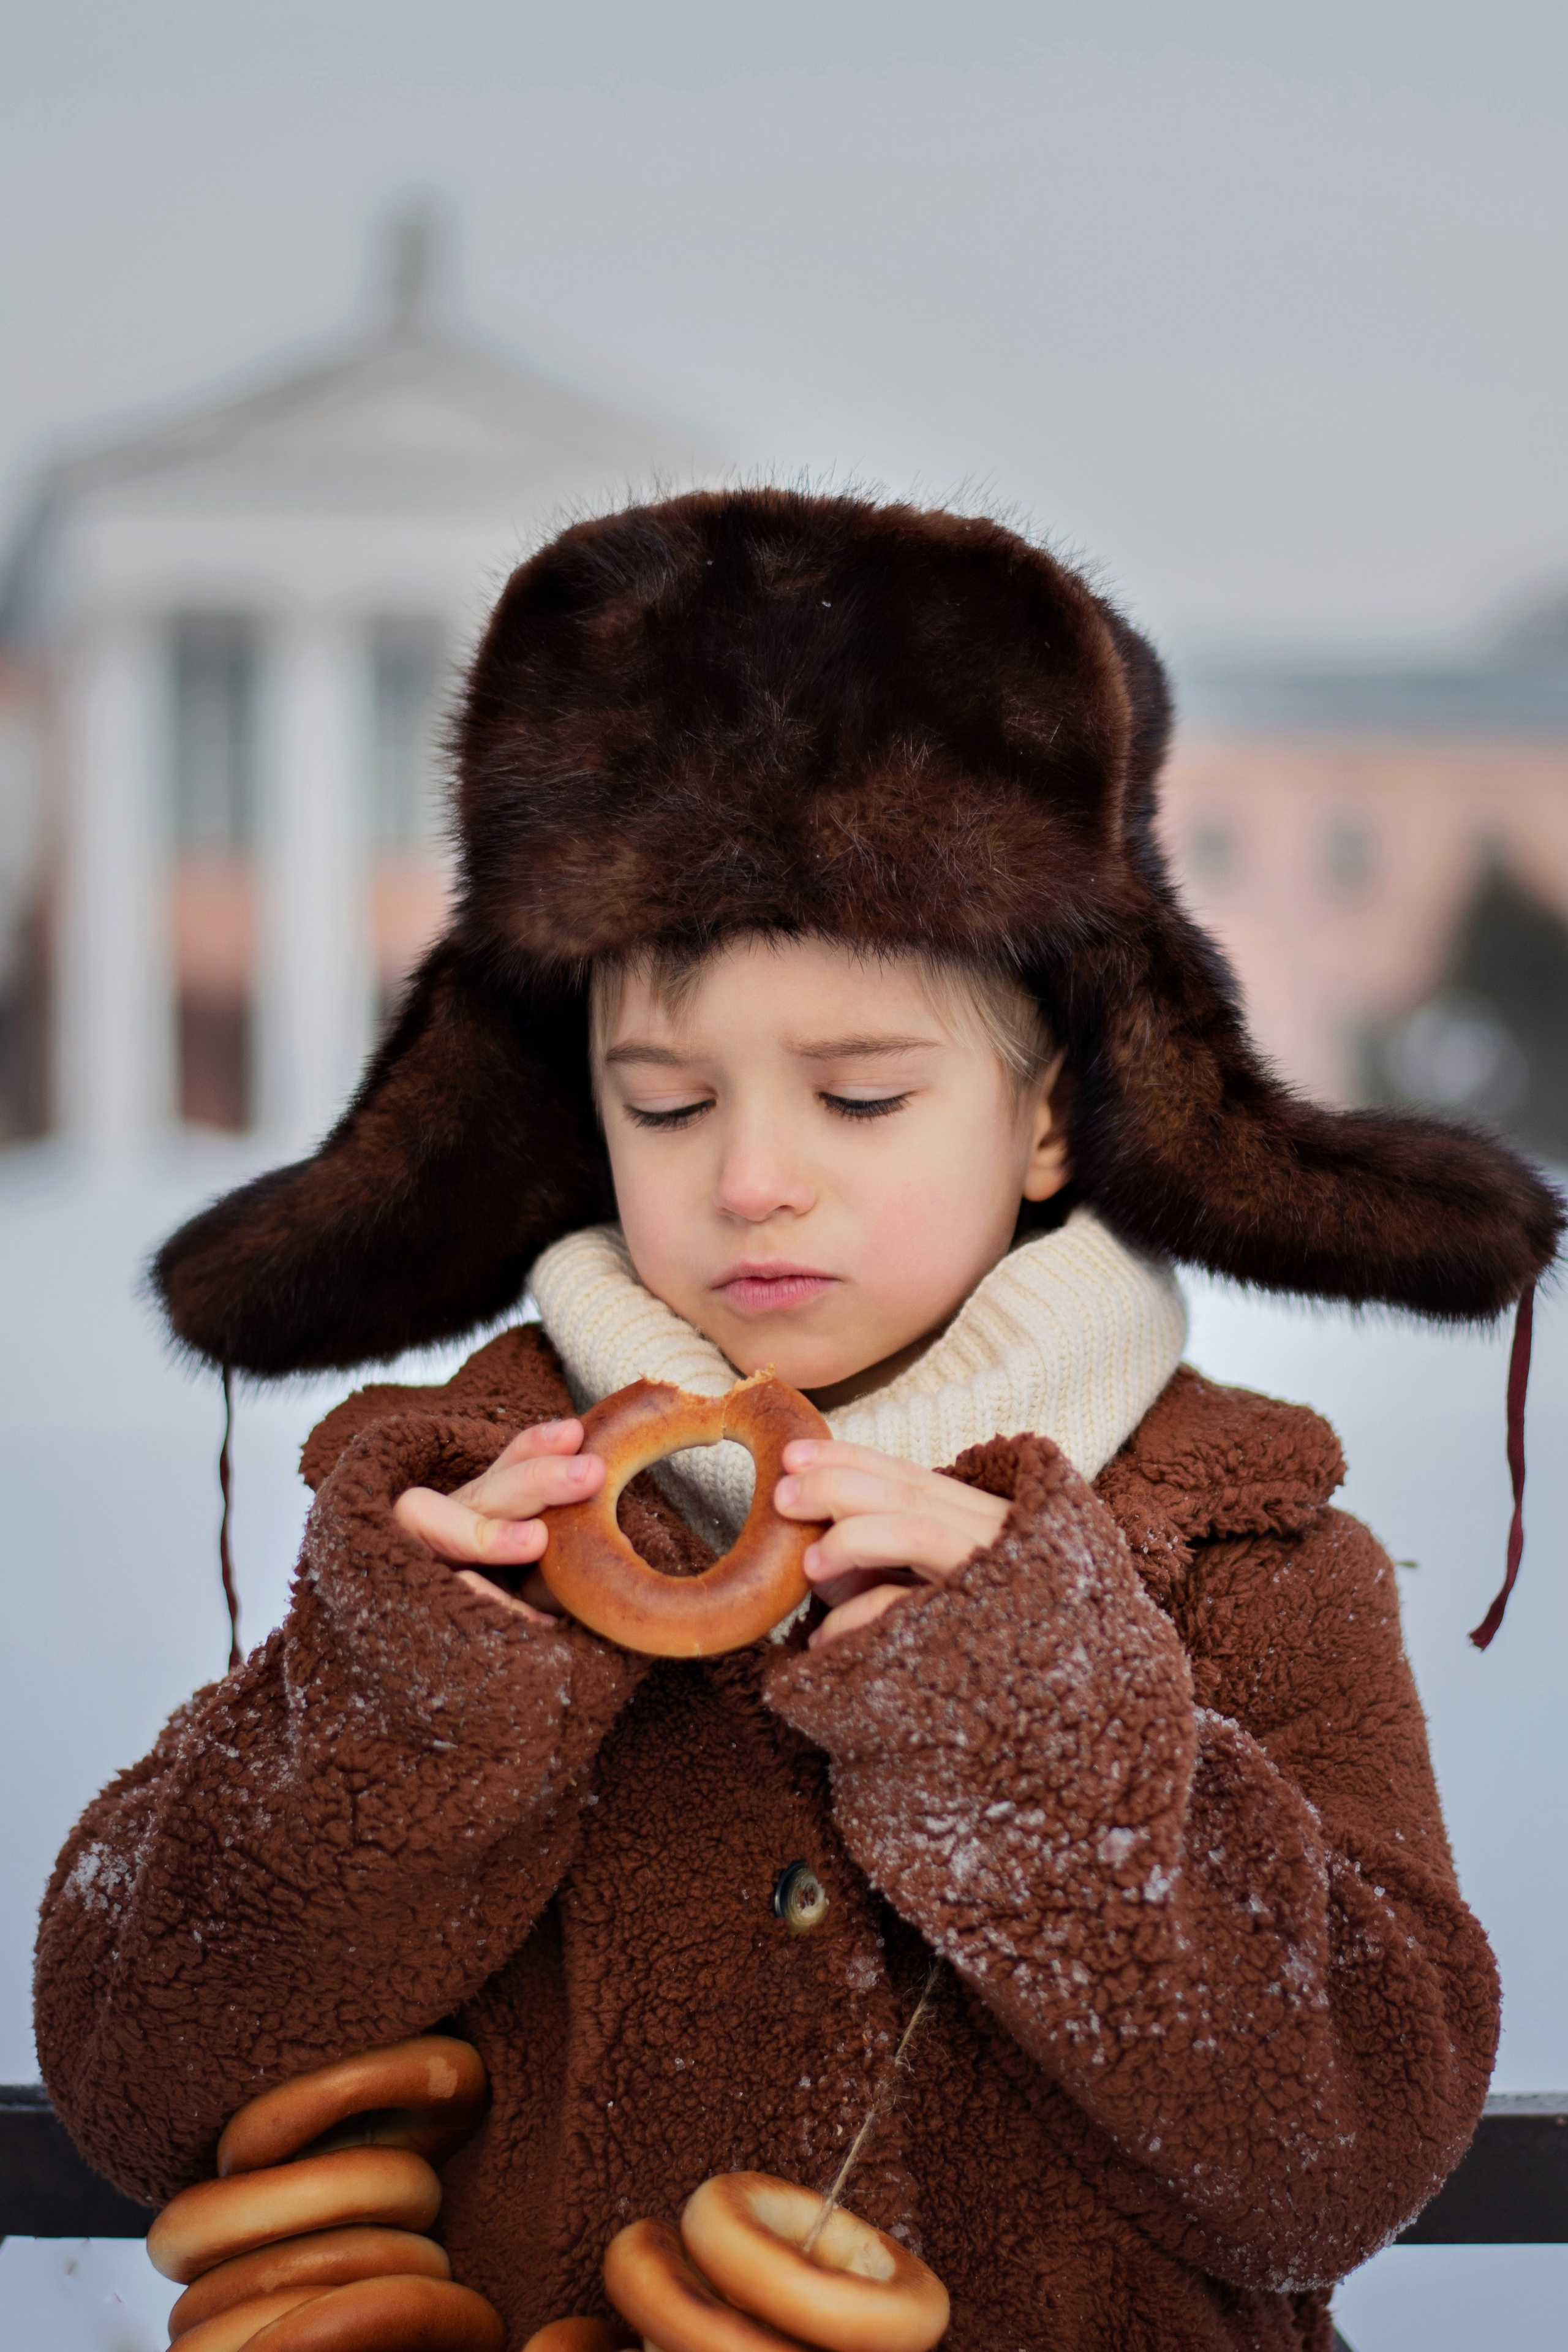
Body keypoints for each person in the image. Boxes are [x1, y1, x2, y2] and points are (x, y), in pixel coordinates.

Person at [36, 491, 1561, 2351]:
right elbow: (137, 2080)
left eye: (858, 1097)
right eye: (668, 1106)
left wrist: (1036, 1727)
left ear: (1054, 1119)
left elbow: (1349, 2148)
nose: (755, 1180)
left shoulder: (1240, 1554)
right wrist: (399, 1706)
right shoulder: (455, 1528)